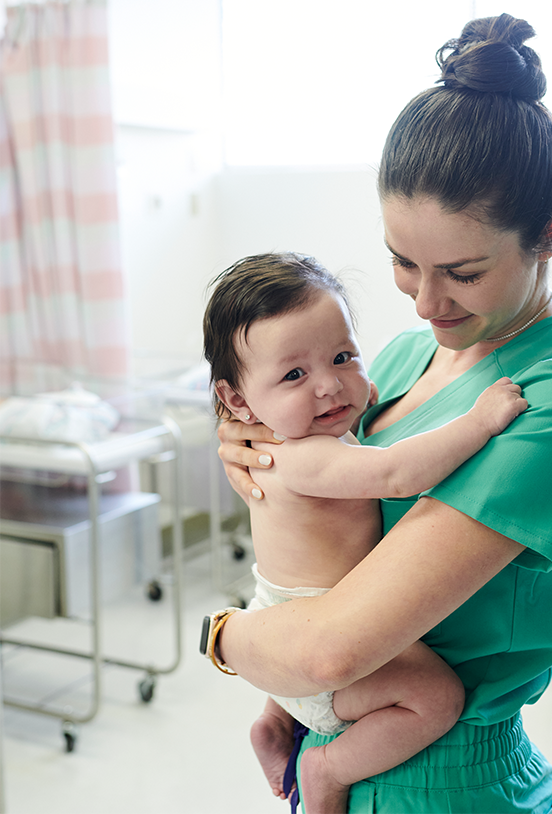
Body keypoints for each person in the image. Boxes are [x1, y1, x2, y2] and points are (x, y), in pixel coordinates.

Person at [213, 13, 552, 813]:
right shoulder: (398, 360)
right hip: (330, 740)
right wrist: (252, 449)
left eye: (462, 272)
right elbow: (316, 493)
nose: (426, 301)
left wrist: (223, 638)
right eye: (403, 263)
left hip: (444, 780)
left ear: (547, 233)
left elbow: (332, 650)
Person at [202, 251, 528, 814]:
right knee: (436, 697)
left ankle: (275, 721)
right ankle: (326, 766)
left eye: (343, 356)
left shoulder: (291, 433)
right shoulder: (301, 460)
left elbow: (347, 405)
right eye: (295, 374)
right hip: (317, 632)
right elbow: (395, 473)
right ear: (237, 400)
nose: (331, 387)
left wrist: (351, 391)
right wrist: (478, 422)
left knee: (303, 677)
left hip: (277, 608)